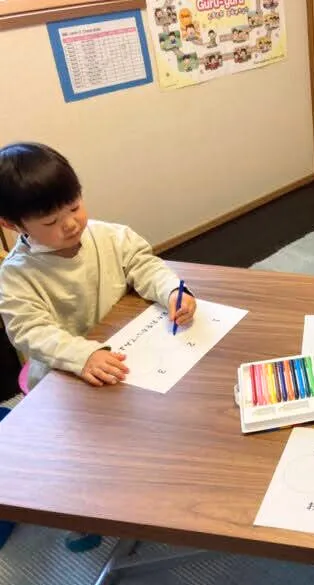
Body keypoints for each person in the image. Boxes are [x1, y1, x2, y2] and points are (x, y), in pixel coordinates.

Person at [0, 142, 197, 552]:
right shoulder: (16, 275)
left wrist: (172, 291)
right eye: (51, 220)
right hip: (66, 378)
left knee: (147, 427)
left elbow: (145, 265)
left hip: (128, 353)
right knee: (81, 457)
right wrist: (82, 355)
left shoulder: (110, 236)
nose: (71, 224)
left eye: (74, 206)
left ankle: (142, 484)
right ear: (13, 224)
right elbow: (30, 331)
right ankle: (85, 515)